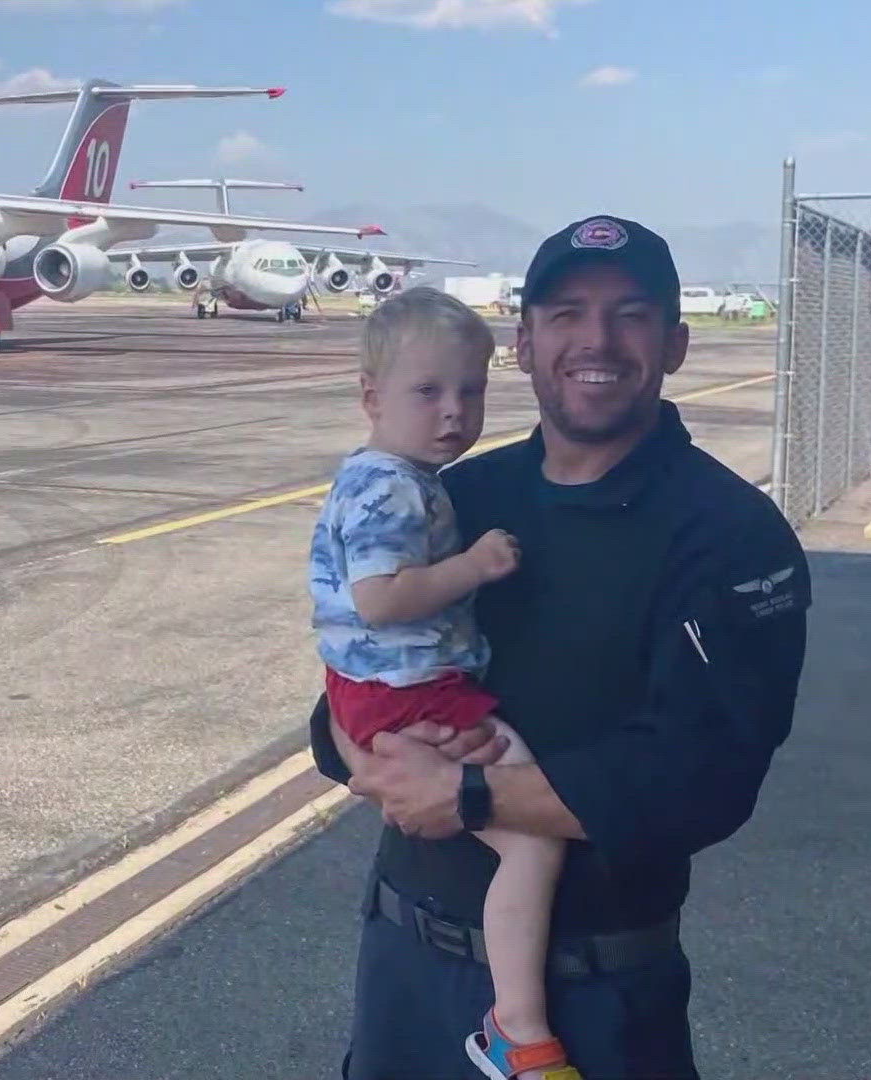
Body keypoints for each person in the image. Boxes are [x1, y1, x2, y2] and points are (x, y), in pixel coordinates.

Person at [308, 215, 811, 1079]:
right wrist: (361, 751)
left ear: (676, 343)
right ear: (526, 343)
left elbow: (706, 779)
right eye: (566, 313)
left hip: (592, 1000)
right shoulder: (458, 493)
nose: (597, 341)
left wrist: (467, 796)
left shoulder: (731, 536)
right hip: (404, 966)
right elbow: (358, 666)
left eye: (632, 313)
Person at [310, 286, 577, 1080]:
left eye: (472, 390)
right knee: (532, 837)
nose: (454, 411)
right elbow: (380, 598)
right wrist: (475, 565)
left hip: (382, 687)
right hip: (412, 688)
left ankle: (515, 1023)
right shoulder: (392, 485)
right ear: (371, 396)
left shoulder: (394, 476)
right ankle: (518, 1028)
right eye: (428, 392)